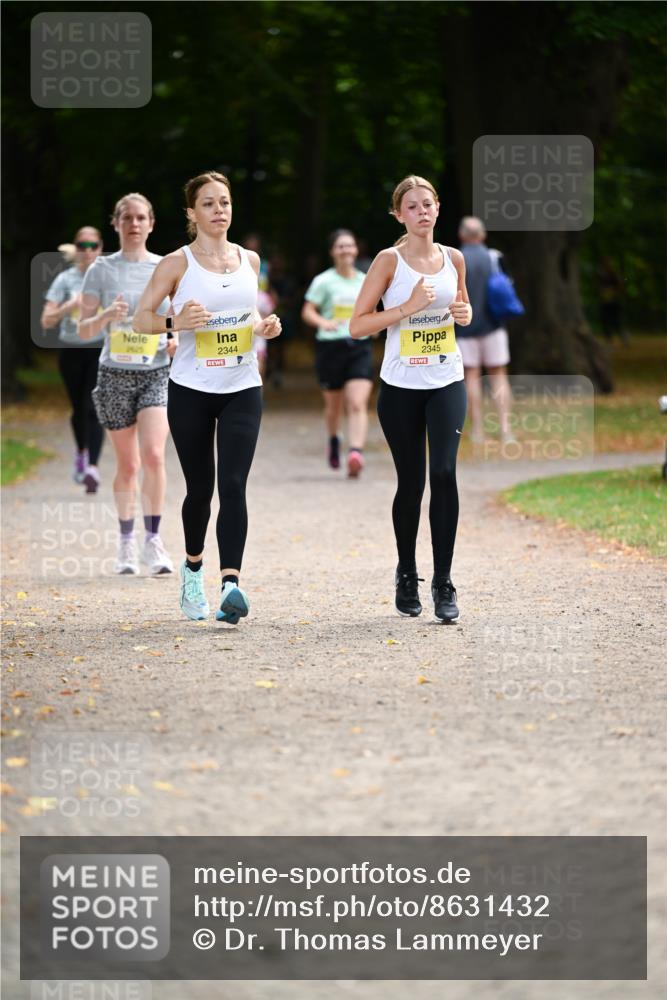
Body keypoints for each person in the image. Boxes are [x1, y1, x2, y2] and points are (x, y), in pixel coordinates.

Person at [133, 171, 281, 624]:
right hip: (192, 388)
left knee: (234, 485)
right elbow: (142, 320)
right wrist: (177, 323)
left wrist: (263, 326)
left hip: (241, 386)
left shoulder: (249, 260)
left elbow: (247, 312)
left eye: (225, 203)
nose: (220, 211)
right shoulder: (176, 264)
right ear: (192, 213)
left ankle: (231, 586)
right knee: (201, 489)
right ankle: (193, 568)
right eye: (209, 204)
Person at [349, 175, 471, 623]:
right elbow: (357, 325)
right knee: (412, 482)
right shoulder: (388, 261)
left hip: (446, 380)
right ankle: (407, 571)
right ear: (399, 214)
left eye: (428, 204)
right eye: (412, 207)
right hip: (401, 387)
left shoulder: (454, 258)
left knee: (444, 472)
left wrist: (464, 312)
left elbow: (464, 307)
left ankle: (443, 581)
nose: (422, 212)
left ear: (438, 208)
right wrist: (406, 308)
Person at [78, 193, 174, 577]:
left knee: (153, 455)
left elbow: (177, 319)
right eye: (127, 218)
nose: (134, 224)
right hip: (114, 373)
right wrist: (106, 314)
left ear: (151, 224)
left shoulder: (166, 267)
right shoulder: (100, 270)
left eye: (140, 218)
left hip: (155, 371)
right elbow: (82, 328)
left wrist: (175, 339)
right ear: (115, 224)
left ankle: (154, 540)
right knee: (129, 464)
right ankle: (126, 541)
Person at [302, 229, 373, 477]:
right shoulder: (323, 281)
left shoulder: (365, 280)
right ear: (333, 252)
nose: (346, 250)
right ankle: (334, 439)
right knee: (334, 407)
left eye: (349, 246)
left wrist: (372, 325)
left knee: (357, 402)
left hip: (359, 346)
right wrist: (323, 322)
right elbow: (308, 311)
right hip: (330, 347)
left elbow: (372, 310)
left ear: (356, 250)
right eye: (340, 246)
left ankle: (356, 452)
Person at [41, 229, 105, 492]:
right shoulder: (65, 279)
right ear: (77, 248)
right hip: (71, 350)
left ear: (100, 247)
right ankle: (81, 452)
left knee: (92, 407)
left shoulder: (107, 277)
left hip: (99, 348)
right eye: (82, 245)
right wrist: (71, 305)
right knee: (78, 408)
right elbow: (46, 320)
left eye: (93, 244)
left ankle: (92, 467)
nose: (88, 249)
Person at [456, 216, 515, 446]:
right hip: (494, 326)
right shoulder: (494, 257)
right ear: (482, 235)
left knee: (471, 376)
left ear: (462, 235)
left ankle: (478, 431)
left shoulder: (455, 259)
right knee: (498, 375)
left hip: (464, 328)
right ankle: (505, 430)